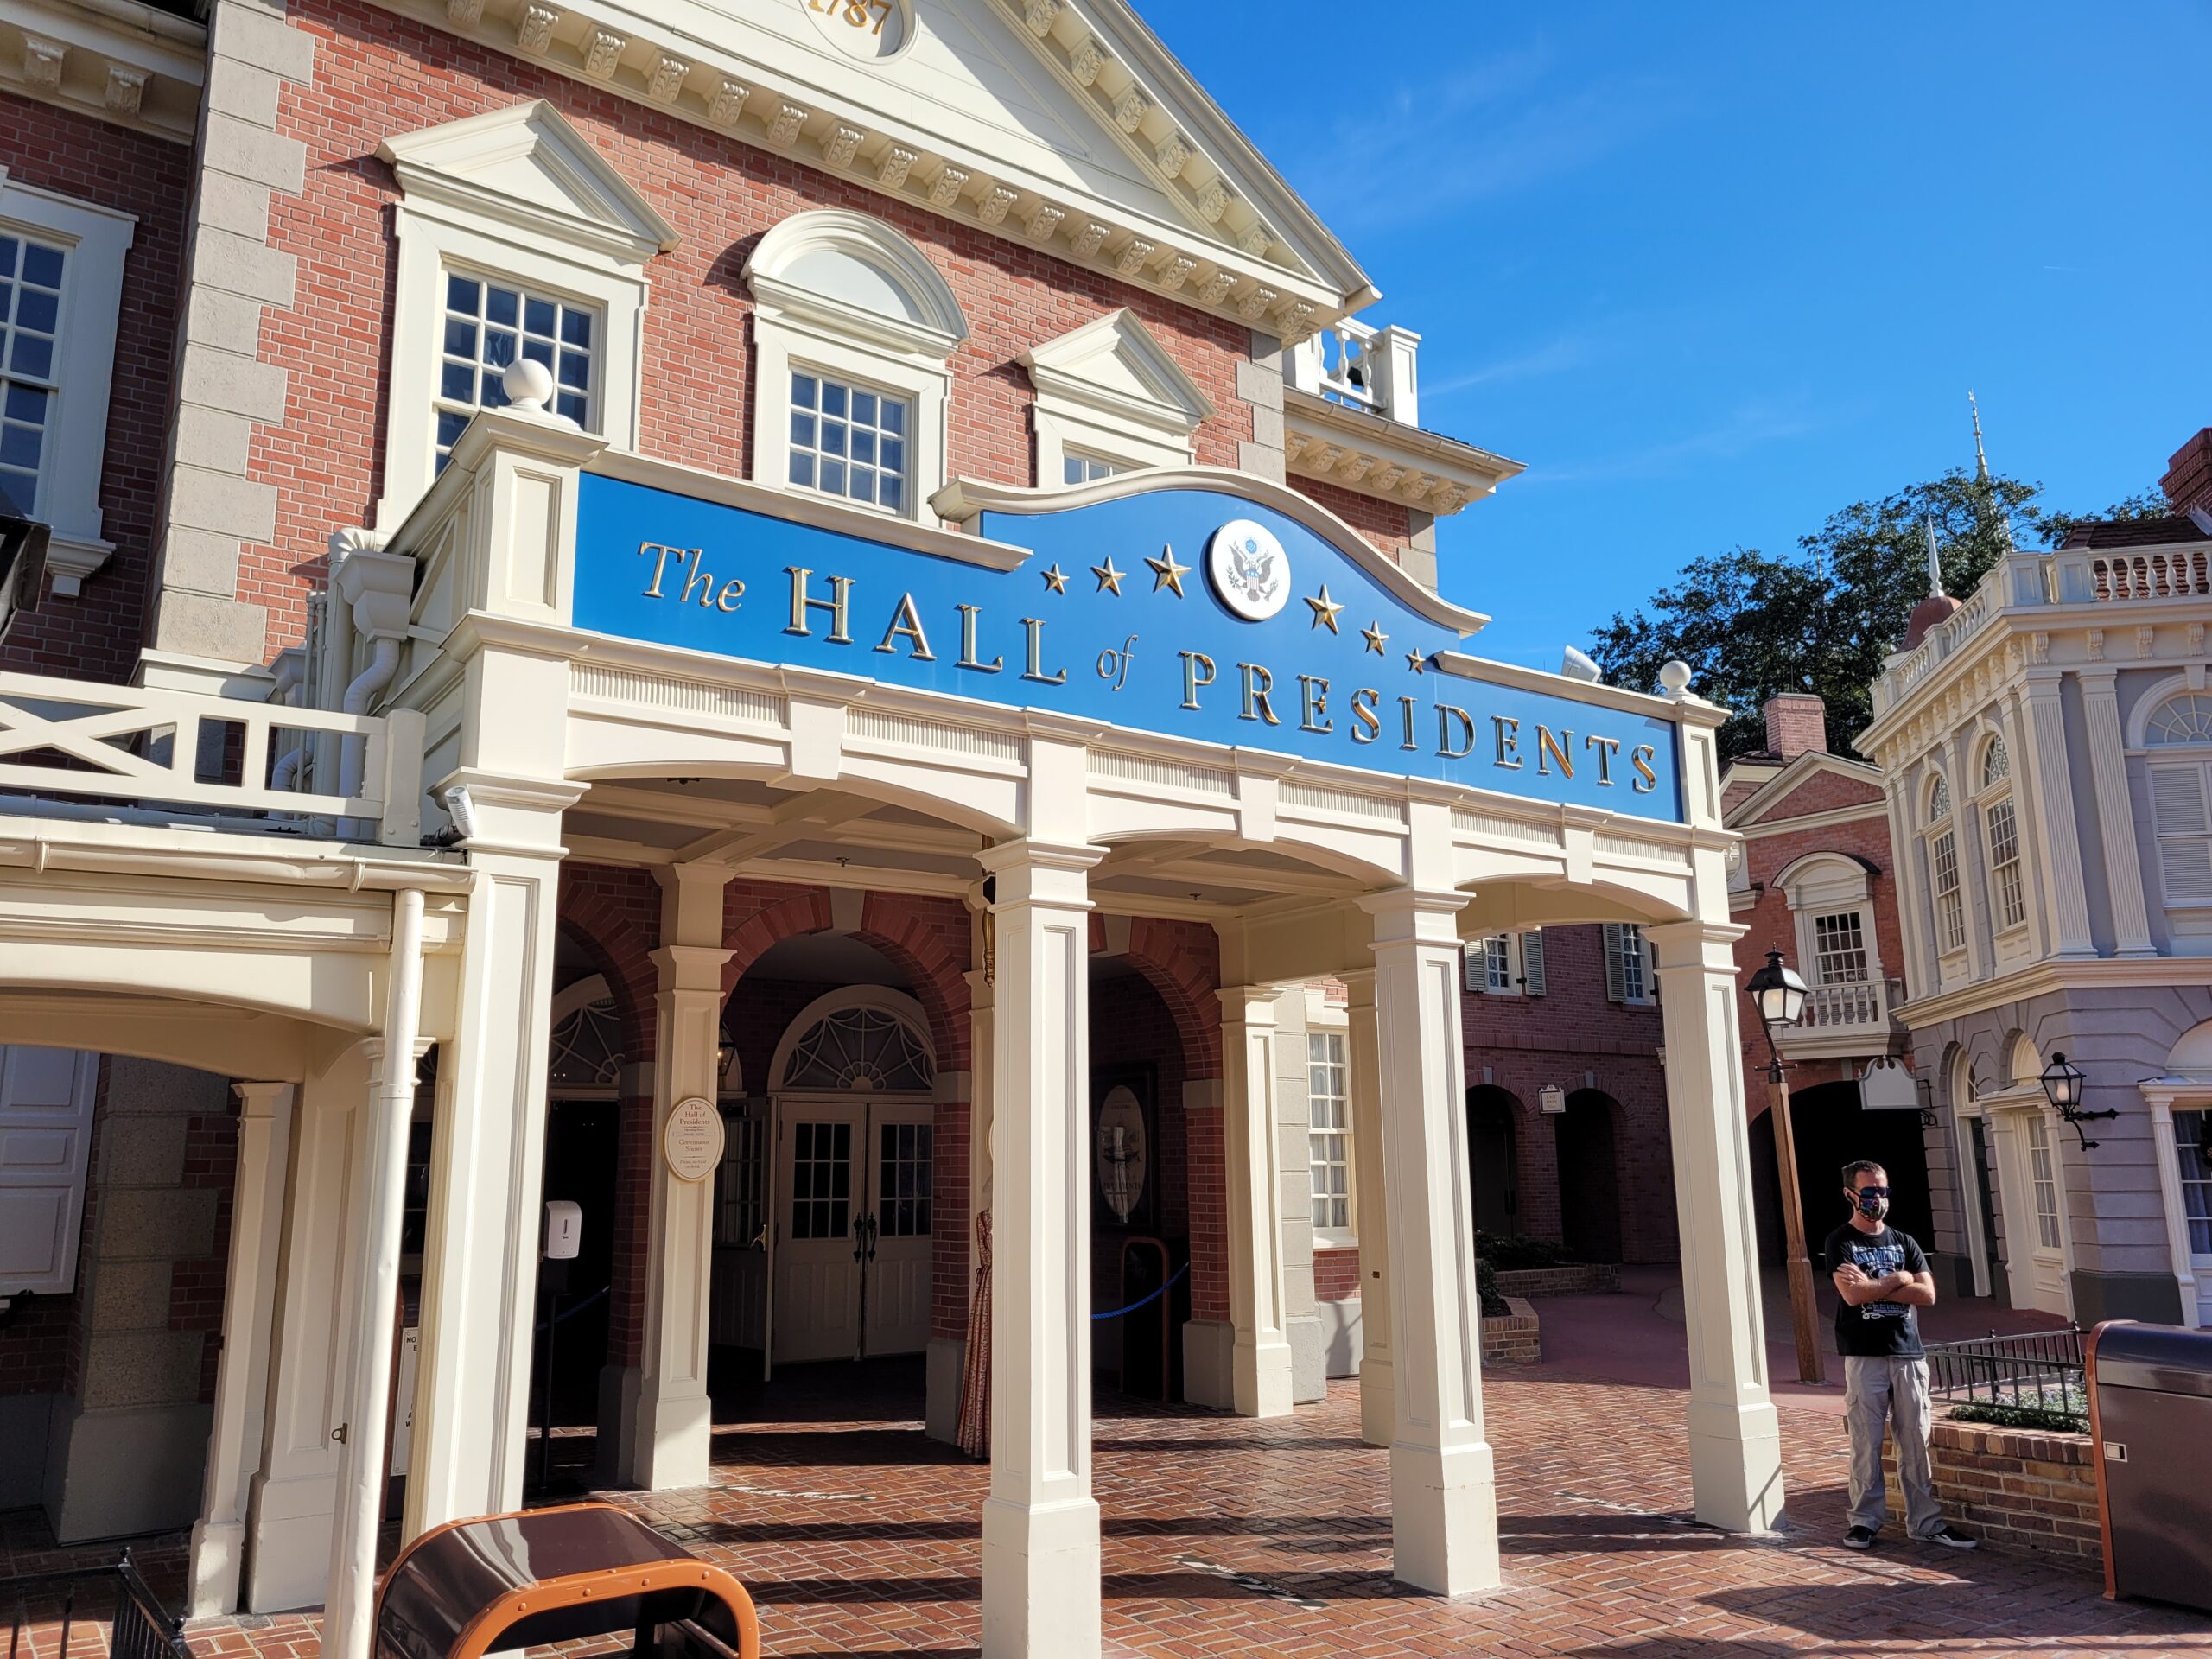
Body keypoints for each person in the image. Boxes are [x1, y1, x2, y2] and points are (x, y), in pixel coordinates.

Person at [1825, 1160, 1977, 1551]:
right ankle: (1864, 1522)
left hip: (1908, 1353)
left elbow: (1927, 1295)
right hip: (1864, 1354)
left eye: (1883, 1192)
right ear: (1850, 1195)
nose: (1878, 1200)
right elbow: (1853, 1295)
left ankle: (1926, 1523)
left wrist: (1877, 1283)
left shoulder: (1905, 1241)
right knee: (1866, 1442)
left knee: (1916, 1440)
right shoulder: (1841, 1241)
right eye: (1870, 1192)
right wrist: (1898, 1279)